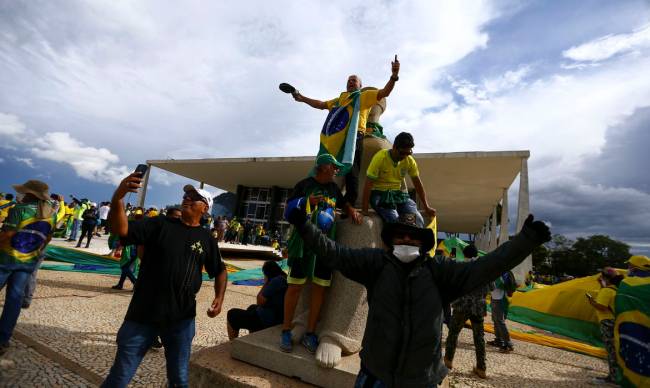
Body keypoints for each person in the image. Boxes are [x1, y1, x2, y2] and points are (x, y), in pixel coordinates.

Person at [284, 199, 551, 386]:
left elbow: (487, 267)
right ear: (390, 241)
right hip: (375, 375)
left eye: (413, 238)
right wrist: (305, 226)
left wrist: (525, 241)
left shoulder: (440, 271)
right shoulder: (375, 264)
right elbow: (335, 253)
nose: (407, 241)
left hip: (421, 380)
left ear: (423, 244)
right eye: (400, 237)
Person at [102, 174, 227, 388]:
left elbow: (221, 270)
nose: (187, 198)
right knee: (119, 377)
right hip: (142, 315)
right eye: (186, 195)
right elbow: (121, 230)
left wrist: (219, 297)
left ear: (205, 208)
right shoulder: (160, 224)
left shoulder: (206, 239)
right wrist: (118, 198)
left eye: (194, 197)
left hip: (181, 320)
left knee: (179, 379)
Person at [290, 57, 400, 206]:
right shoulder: (340, 100)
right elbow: (321, 104)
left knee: (352, 172)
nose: (350, 82)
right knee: (325, 168)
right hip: (336, 140)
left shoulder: (363, 97)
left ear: (360, 86)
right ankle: (318, 197)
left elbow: (384, 92)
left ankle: (349, 204)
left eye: (354, 80)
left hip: (354, 138)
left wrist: (394, 76)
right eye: (349, 80)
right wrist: (302, 98)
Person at [281, 153, 362, 354]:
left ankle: (310, 333)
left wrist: (351, 210)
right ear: (324, 166)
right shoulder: (303, 185)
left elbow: (343, 204)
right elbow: (288, 211)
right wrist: (307, 201)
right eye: (334, 167)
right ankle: (285, 330)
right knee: (294, 288)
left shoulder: (334, 188)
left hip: (325, 245)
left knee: (320, 288)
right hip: (303, 244)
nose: (336, 171)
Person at [0, 180, 58, 355]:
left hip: (6, 259)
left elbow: (8, 234)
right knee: (14, 300)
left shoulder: (19, 209)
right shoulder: (51, 214)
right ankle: (3, 339)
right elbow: (47, 238)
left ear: (30, 194)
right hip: (28, 262)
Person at [361, 132, 436, 227]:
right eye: (402, 153)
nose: (405, 156)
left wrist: (426, 207)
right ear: (394, 147)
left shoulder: (409, 160)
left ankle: (412, 240)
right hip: (379, 195)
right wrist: (364, 210)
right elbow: (368, 184)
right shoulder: (380, 157)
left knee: (417, 220)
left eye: (408, 153)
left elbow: (417, 184)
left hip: (397, 194)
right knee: (395, 221)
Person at [444, 244, 490, 379]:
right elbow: (491, 287)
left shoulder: (460, 267)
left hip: (461, 306)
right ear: (477, 255)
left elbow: (452, 285)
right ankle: (481, 368)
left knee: (453, 333)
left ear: (464, 254)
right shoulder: (485, 269)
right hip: (478, 307)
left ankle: (448, 361)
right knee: (479, 337)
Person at [227, 261, 288, 340]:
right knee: (252, 307)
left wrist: (266, 283)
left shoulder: (275, 281)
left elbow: (260, 301)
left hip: (266, 320)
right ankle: (253, 339)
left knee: (232, 314)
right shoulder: (283, 278)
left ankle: (232, 343)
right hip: (276, 316)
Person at [587, 267, 624, 384]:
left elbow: (602, 306)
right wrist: (601, 284)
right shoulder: (614, 289)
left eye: (602, 277)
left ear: (606, 278)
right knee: (615, 350)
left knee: (611, 350)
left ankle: (613, 378)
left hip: (607, 322)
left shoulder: (606, 291)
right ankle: (617, 376)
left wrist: (592, 302)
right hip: (615, 321)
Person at [487, 270, 516, 352]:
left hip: (500, 299)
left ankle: (508, 344)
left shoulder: (502, 271)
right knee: (496, 320)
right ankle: (499, 340)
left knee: (500, 321)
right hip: (495, 298)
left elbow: (498, 284)